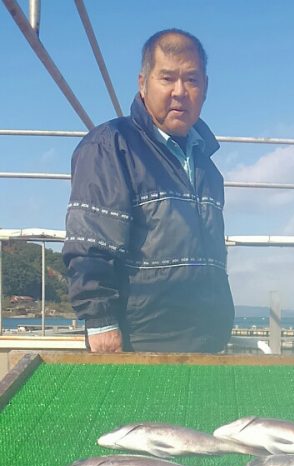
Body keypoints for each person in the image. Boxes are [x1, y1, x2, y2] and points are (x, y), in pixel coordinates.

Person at [62, 29, 235, 353]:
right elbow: (90, 247)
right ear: (143, 83)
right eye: (167, 78)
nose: (180, 91)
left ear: (206, 88)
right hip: (141, 343)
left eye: (192, 80)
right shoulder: (112, 146)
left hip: (206, 342)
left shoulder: (207, 166)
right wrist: (102, 325)